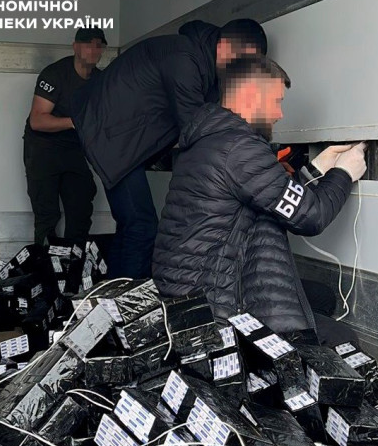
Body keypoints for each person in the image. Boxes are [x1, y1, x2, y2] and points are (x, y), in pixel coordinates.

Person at [152, 55, 367, 346]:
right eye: (276, 101)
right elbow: (311, 216)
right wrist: (345, 173)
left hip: (190, 292)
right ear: (251, 95)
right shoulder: (240, 148)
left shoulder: (210, 141)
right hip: (219, 304)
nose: (279, 114)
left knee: (321, 297)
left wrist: (318, 167)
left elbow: (269, 194)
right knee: (343, 339)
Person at [72, 19, 267, 279]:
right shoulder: (185, 59)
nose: (244, 72)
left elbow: (213, 122)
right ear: (226, 47)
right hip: (109, 138)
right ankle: (126, 300)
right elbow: (195, 128)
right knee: (141, 228)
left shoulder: (205, 68)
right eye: (244, 62)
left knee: (132, 226)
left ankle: (108, 295)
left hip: (119, 140)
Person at [23, 28, 107, 247]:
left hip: (73, 147)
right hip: (42, 146)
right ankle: (45, 263)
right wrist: (76, 122)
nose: (94, 50)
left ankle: (74, 262)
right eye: (88, 44)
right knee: (46, 213)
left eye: (99, 45)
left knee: (81, 205)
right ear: (75, 47)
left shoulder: (101, 81)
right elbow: (37, 121)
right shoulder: (55, 74)